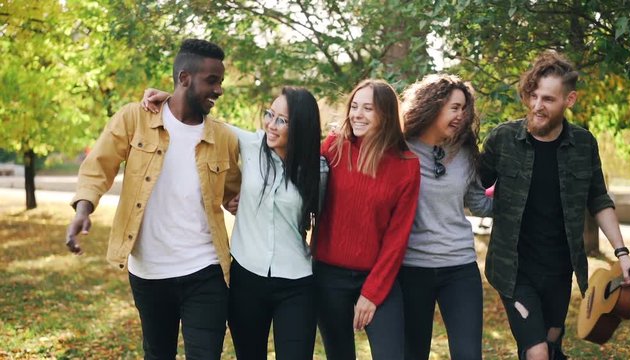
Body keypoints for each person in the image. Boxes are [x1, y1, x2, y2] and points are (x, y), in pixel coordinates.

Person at [65, 39, 241, 359]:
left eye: (221, 81)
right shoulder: (135, 119)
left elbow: (235, 191)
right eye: (212, 81)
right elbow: (97, 167)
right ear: (184, 78)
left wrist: (238, 201)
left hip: (206, 270)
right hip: (149, 273)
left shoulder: (223, 137)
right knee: (158, 353)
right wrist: (83, 208)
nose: (219, 90)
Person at [478, 50, 630, 359]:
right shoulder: (503, 139)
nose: (537, 106)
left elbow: (598, 199)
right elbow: (470, 184)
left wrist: (622, 253)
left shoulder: (583, 144)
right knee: (537, 350)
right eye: (533, 96)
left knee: (551, 348)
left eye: (548, 100)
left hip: (559, 270)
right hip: (513, 271)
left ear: (570, 100)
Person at [143, 86, 322, 359]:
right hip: (246, 280)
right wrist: (171, 97)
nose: (271, 125)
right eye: (270, 114)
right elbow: (208, 123)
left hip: (297, 283)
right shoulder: (250, 146)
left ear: (302, 126)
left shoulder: (318, 170)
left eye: (282, 120)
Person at [313, 79, 421, 359]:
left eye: (367, 108)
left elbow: (398, 238)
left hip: (378, 279)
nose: (356, 114)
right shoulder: (334, 146)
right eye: (354, 106)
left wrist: (372, 293)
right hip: (328, 277)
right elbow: (298, 181)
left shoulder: (407, 165)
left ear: (385, 114)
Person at [398, 74, 492, 360]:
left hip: (459, 268)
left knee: (468, 355)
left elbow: (479, 204)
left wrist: (520, 196)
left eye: (465, 109)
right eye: (454, 107)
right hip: (412, 268)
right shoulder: (399, 150)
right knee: (413, 354)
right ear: (432, 105)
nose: (461, 115)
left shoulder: (465, 152)